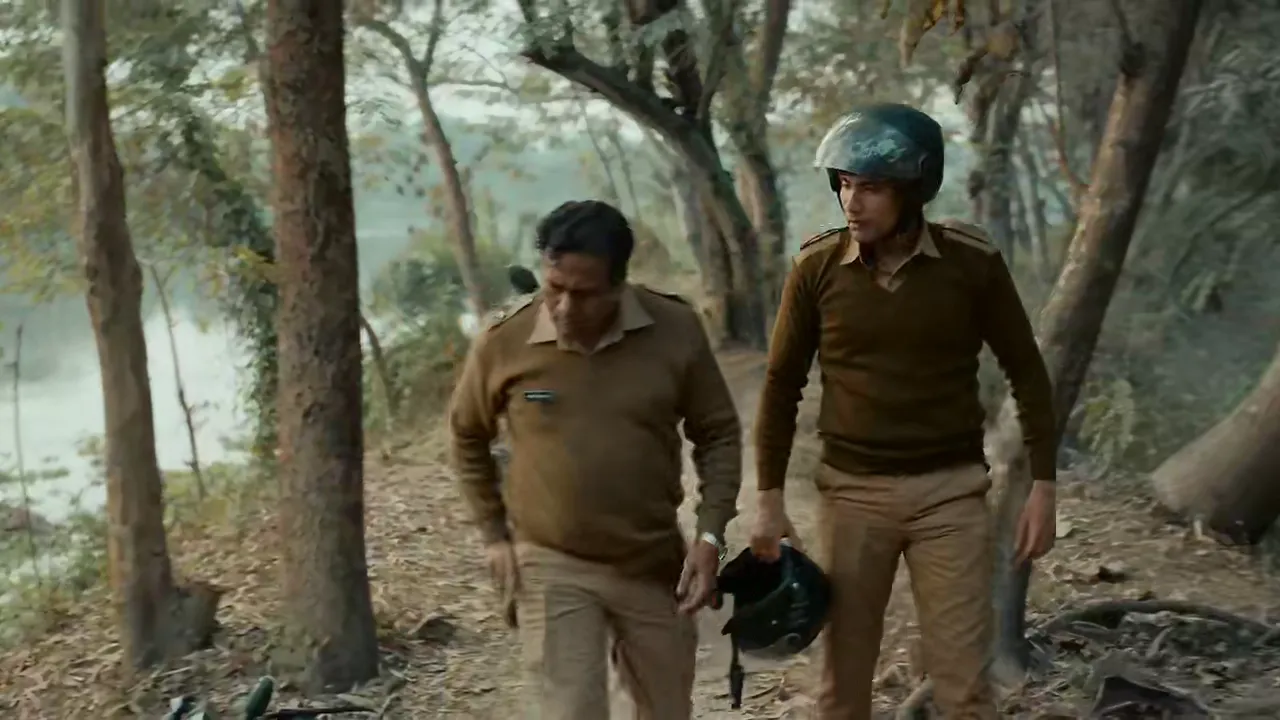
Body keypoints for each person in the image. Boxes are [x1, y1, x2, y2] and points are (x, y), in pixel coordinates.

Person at [749, 103, 1059, 720]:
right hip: (851, 496)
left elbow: (1027, 371)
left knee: (965, 689)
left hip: (951, 496)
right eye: (844, 184)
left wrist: (1044, 486)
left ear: (914, 189)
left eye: (871, 187)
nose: (852, 202)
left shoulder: (971, 264)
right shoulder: (816, 269)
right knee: (841, 688)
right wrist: (768, 499)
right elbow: (781, 386)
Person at [448, 199, 743, 720]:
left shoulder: (674, 328)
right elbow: (467, 434)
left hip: (653, 562)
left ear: (618, 285)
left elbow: (718, 434)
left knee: (667, 709)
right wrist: (494, 535)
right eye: (553, 288)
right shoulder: (504, 340)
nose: (564, 307)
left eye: (583, 294)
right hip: (551, 561)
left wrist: (710, 537)